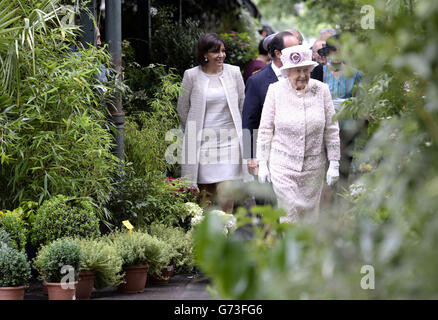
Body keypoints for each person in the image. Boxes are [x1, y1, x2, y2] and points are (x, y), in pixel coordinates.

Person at [256, 45, 341, 223]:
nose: (302, 75)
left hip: (313, 169)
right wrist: (262, 162)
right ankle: (288, 250)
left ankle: (307, 250)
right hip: (283, 167)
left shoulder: (322, 90)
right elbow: (265, 129)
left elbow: (331, 128)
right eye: (297, 71)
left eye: (305, 70)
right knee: (288, 216)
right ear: (287, 72)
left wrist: (334, 162)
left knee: (309, 219)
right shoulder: (275, 90)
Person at [177, 33, 248, 212]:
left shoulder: (234, 72)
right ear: (204, 54)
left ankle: (227, 233)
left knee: (227, 194)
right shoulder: (191, 75)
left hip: (230, 142)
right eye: (216, 51)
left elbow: (242, 105)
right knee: (204, 197)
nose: (221, 55)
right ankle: (205, 235)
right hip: (203, 143)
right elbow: (183, 109)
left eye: (223, 51)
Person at [242, 31, 300, 176]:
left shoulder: (303, 77)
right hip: (267, 154)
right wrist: (251, 156)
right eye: (293, 50)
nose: (298, 53)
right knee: (267, 197)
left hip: (298, 153)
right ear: (278, 53)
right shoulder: (257, 81)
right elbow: (249, 121)